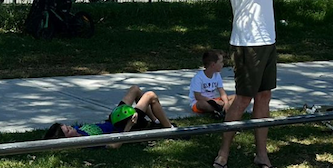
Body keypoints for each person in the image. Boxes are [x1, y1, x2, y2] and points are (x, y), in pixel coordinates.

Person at [213, 0, 317, 168]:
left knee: (264, 97)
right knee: (242, 100)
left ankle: (262, 154)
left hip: (265, 42)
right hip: (249, 45)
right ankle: (222, 154)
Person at [45, 85, 173, 142]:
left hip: (113, 119)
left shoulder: (77, 130)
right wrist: (128, 127)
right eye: (68, 131)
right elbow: (113, 146)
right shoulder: (85, 141)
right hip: (122, 126)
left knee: (135, 89)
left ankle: (156, 122)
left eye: (66, 126)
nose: (70, 127)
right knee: (150, 96)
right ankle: (170, 130)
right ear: (67, 139)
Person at [190, 49, 231, 119]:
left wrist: (226, 103)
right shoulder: (198, 77)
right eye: (221, 62)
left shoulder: (217, 75)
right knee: (201, 104)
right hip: (201, 102)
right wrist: (214, 101)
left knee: (235, 97)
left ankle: (222, 108)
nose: (223, 64)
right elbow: (198, 96)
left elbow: (222, 92)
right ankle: (218, 110)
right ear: (213, 65)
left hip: (214, 100)